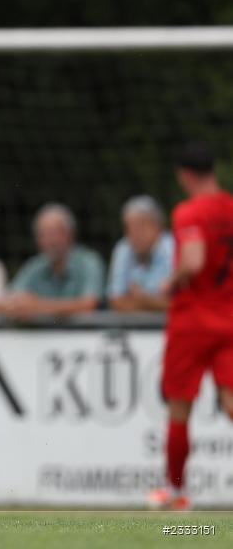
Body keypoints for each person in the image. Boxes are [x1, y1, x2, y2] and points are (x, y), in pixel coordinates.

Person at [148, 143, 233, 511]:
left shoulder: (189, 211)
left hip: (193, 320)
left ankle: (176, 491)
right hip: (230, 318)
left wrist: (170, 281)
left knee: (180, 406)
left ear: (184, 174)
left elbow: (194, 260)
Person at [2, 203, 104, 319]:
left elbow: (88, 305)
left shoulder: (89, 262)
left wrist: (37, 306)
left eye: (53, 233)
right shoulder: (34, 266)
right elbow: (9, 300)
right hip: (44, 335)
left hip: (84, 335)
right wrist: (15, 306)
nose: (49, 241)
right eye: (43, 235)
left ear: (69, 234)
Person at [107, 195, 174, 312]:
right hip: (136, 327)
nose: (135, 234)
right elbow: (115, 301)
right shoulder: (123, 248)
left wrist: (143, 298)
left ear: (158, 226)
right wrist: (156, 303)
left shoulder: (172, 247)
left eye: (141, 226)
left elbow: (177, 303)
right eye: (129, 227)